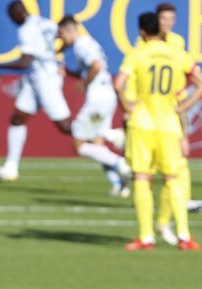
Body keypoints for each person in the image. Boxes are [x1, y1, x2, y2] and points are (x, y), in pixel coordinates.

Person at [115, 12, 202, 251]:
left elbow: (118, 83)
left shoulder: (137, 53)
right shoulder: (177, 53)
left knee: (142, 178)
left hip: (142, 122)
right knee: (172, 178)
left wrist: (126, 105)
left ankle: (146, 237)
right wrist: (183, 107)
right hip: (168, 124)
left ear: (142, 32)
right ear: (161, 29)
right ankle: (184, 236)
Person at [0, 1, 70, 181]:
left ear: (18, 13)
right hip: (36, 78)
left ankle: (110, 137)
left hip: (45, 80)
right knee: (17, 118)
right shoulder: (45, 22)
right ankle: (10, 168)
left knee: (65, 127)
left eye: (12, 16)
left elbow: (24, 62)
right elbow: (64, 37)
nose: (12, 20)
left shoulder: (26, 30)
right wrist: (57, 57)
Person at [58, 15, 131, 197]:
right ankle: (118, 184)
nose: (61, 39)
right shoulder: (88, 42)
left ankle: (119, 159)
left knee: (79, 145)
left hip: (98, 99)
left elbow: (96, 66)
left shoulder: (81, 45)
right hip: (106, 96)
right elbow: (93, 69)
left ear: (68, 30)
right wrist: (71, 73)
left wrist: (84, 84)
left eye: (61, 34)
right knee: (97, 143)